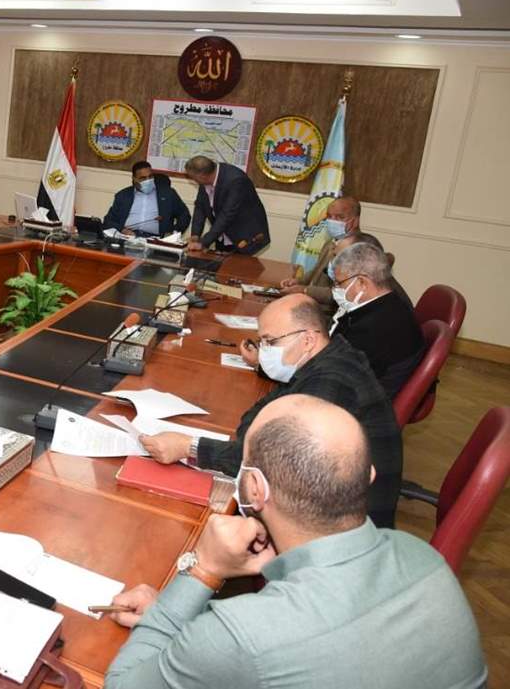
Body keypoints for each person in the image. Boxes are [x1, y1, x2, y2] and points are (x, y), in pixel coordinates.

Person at [107, 395, 487, 689]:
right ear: (368, 475)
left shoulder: (241, 634)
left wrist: (201, 572)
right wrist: (192, 635)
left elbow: (122, 684)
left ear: (254, 488)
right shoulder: (424, 559)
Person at [141, 294, 402, 528]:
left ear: (308, 339)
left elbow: (269, 464)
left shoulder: (331, 382)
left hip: (343, 527)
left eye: (270, 341)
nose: (264, 349)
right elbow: (252, 421)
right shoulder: (320, 361)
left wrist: (189, 446)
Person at [328, 242, 425, 400]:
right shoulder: (392, 303)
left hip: (360, 403)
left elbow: (333, 371)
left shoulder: (375, 327)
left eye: (339, 283)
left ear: (362, 283)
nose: (335, 289)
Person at [279, 195, 360, 303]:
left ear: (355, 221)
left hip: (329, 310)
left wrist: (305, 290)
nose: (332, 221)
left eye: (340, 217)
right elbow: (318, 271)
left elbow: (343, 294)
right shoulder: (330, 242)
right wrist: (298, 281)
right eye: (329, 216)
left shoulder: (358, 249)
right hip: (312, 302)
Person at [183, 155, 269, 255]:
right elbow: (200, 207)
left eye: (193, 178)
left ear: (202, 176)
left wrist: (203, 243)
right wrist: (195, 235)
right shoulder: (207, 177)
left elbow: (227, 215)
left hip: (246, 236)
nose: (194, 181)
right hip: (223, 235)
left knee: (236, 265)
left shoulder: (236, 180)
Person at [102, 161, 191, 237]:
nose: (148, 180)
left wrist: (174, 233)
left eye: (150, 176)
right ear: (134, 179)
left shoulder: (167, 193)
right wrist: (122, 230)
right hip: (128, 237)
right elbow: (108, 221)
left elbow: (184, 215)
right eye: (143, 178)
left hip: (156, 239)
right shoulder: (123, 195)